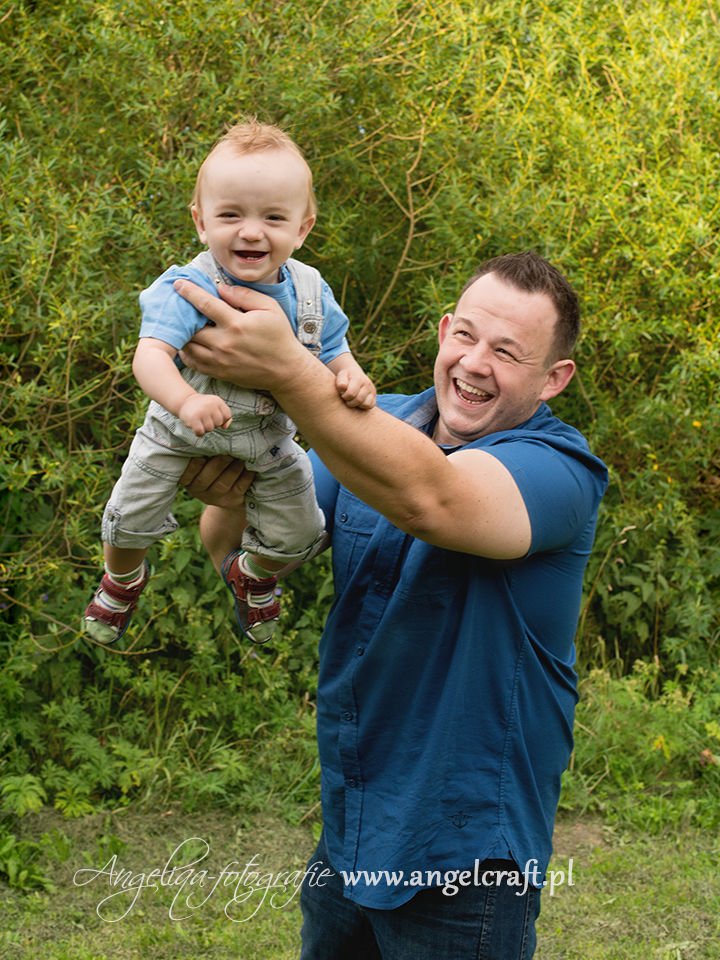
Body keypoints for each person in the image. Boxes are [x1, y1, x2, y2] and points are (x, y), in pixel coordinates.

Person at [173, 252, 609, 959]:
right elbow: (247, 552)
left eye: (507, 352)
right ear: (443, 331)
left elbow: (431, 498)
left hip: (466, 850)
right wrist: (229, 491)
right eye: (465, 335)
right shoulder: (376, 424)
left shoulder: (563, 471)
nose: (474, 364)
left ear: (554, 378)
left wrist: (288, 370)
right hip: (353, 822)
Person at [84, 121, 375, 646]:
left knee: (304, 533)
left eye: (273, 217)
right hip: (176, 431)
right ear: (201, 222)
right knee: (128, 517)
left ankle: (253, 573)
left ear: (302, 228)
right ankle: (122, 579)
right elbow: (149, 357)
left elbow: (333, 348)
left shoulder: (310, 290)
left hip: (269, 441)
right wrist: (186, 400)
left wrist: (351, 375)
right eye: (231, 214)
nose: (251, 231)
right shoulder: (187, 285)